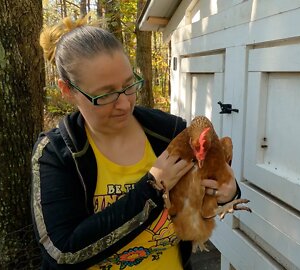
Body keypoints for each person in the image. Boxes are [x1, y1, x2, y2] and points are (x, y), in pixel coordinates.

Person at [31, 17, 240, 270]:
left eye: (129, 85)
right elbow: (62, 252)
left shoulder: (168, 132)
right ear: (67, 90)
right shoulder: (57, 153)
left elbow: (209, 193)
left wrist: (227, 193)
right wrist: (152, 188)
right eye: (105, 94)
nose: (124, 103)